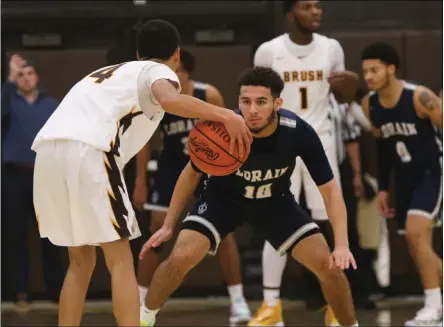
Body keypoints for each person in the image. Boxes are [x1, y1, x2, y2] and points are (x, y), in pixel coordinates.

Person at [31, 19, 252, 326]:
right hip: (90, 150)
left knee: (80, 262)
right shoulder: (158, 71)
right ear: (176, 56)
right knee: (120, 259)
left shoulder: (107, 74)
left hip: (47, 152)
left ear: (137, 52)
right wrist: (227, 114)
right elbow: (169, 99)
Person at [138, 66, 359, 327]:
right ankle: (143, 319)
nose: (252, 110)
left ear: (278, 103)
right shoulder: (222, 128)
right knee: (180, 257)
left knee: (330, 267)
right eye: (246, 101)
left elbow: (331, 191)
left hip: (274, 203)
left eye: (261, 102)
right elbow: (190, 174)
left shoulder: (298, 131)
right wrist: (168, 225)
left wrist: (342, 244)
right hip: (223, 201)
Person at [252, 0, 359, 324]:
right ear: (290, 13)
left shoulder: (332, 48)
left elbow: (343, 99)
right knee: (274, 219)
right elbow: (257, 100)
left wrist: (351, 89)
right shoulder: (269, 51)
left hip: (319, 141)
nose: (316, 12)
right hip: (278, 142)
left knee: (328, 221)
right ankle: (271, 305)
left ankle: (334, 305)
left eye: (318, 6)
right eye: (308, 6)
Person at [136, 48, 251, 324]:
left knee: (223, 233)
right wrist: (140, 180)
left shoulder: (207, 95)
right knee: (156, 229)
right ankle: (139, 301)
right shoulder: (158, 101)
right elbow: (145, 143)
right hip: (171, 167)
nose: (168, 77)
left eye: (174, 72)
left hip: (210, 167)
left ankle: (238, 301)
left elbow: (229, 133)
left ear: (185, 72)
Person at [361, 42, 442, 326]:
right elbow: (382, 148)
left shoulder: (420, 97)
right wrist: (384, 188)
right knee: (415, 244)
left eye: (374, 70)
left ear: (391, 68)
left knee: (417, 234)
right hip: (404, 178)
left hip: (434, 172)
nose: (369, 76)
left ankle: (433, 306)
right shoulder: (369, 103)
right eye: (365, 71)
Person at [1, 55, 65, 310]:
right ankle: (19, 291)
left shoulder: (51, 104)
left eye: (29, 73)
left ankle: (57, 290)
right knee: (15, 235)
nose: (25, 78)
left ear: (37, 76)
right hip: (14, 174)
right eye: (20, 74)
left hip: (46, 174)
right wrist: (8, 81)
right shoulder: (8, 101)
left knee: (50, 235)